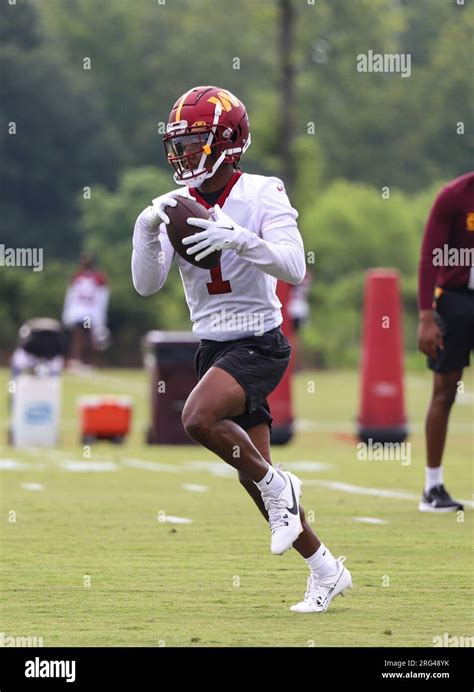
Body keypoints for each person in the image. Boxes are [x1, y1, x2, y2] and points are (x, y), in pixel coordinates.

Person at [132, 86, 352, 612]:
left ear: (228, 142)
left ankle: (282, 486)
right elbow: (146, 285)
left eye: (194, 144)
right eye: (178, 145)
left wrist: (237, 238)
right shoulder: (174, 205)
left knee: (196, 418)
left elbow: (293, 266)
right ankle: (326, 571)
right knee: (253, 479)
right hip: (213, 347)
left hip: (259, 341)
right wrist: (144, 233)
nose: (182, 156)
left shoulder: (262, 193)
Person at [417, 171, 474, 512]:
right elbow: (429, 256)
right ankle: (432, 486)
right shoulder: (454, 195)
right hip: (456, 301)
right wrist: (426, 317)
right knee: (445, 389)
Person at [62, 253, 110, 368]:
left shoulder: (96, 278)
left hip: (87, 313)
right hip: (83, 312)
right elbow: (71, 296)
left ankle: (85, 361)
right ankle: (79, 361)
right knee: (80, 337)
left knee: (85, 337)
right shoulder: (79, 277)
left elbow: (101, 297)